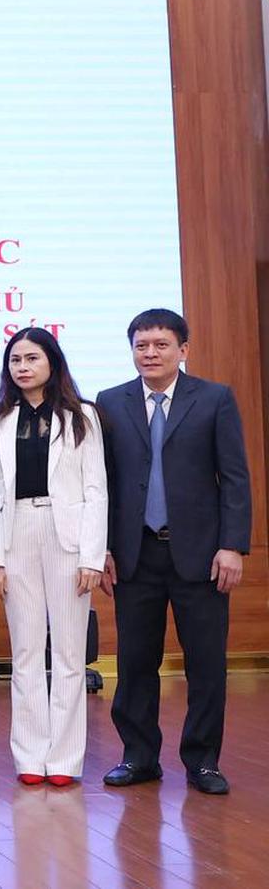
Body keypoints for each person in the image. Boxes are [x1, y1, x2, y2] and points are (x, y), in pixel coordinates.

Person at [99, 309, 250, 795]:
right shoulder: (110, 402)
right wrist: (103, 547)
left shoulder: (214, 398)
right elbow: (103, 483)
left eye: (161, 345)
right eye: (141, 345)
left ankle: (202, 761)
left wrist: (232, 545)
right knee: (134, 663)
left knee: (205, 664)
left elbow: (235, 477)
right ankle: (139, 757)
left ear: (183, 350)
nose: (150, 353)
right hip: (134, 554)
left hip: (202, 556)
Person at [0, 327, 106, 787]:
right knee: (27, 650)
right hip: (17, 534)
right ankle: (30, 757)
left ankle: (65, 759)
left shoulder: (82, 416)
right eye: (15, 360)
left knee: (69, 652)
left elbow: (96, 491)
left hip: (67, 536)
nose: (23, 367)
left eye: (32, 358)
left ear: (52, 362)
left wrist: (92, 557)